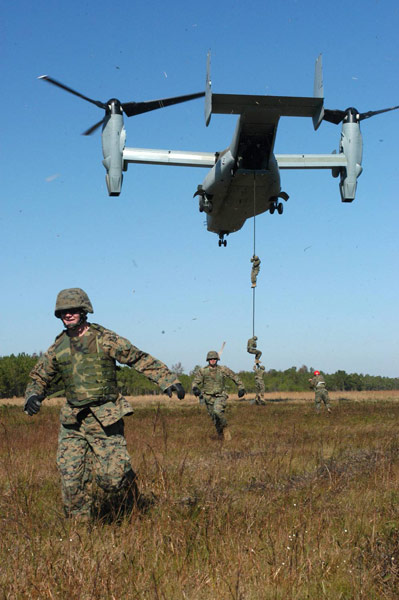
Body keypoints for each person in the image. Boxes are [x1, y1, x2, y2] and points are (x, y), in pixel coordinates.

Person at [23, 288, 185, 522]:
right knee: (71, 481)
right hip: (72, 423)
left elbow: (137, 357)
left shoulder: (104, 338)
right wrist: (32, 395)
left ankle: (128, 484)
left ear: (83, 311)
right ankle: (78, 537)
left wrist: (167, 379)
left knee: (112, 479)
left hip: (105, 418)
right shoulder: (58, 346)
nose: (67, 316)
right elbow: (39, 377)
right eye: (63, 312)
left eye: (72, 311)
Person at [191, 350, 245, 440]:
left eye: (214, 359)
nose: (213, 360)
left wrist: (241, 387)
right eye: (211, 359)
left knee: (217, 411)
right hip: (208, 398)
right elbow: (195, 382)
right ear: (208, 360)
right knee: (215, 419)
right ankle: (220, 436)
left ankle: (225, 428)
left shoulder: (223, 369)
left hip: (220, 396)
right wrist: (195, 388)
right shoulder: (203, 371)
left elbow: (234, 376)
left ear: (217, 359)